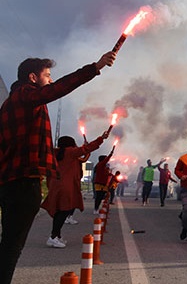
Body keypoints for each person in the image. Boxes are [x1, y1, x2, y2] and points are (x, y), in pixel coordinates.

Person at [0, 51, 116, 282]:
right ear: (33, 78)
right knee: (12, 246)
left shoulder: (12, 103)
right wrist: (96, 67)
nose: (51, 80)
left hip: (11, 181)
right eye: (48, 75)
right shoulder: (25, 95)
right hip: (23, 183)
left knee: (8, 243)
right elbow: (58, 89)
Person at [40, 133, 109, 248]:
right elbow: (87, 148)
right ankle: (53, 237)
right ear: (70, 144)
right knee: (63, 211)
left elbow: (83, 155)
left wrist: (84, 149)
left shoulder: (56, 153)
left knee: (59, 211)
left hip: (55, 185)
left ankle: (57, 235)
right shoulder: (71, 152)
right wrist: (101, 138)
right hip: (65, 187)